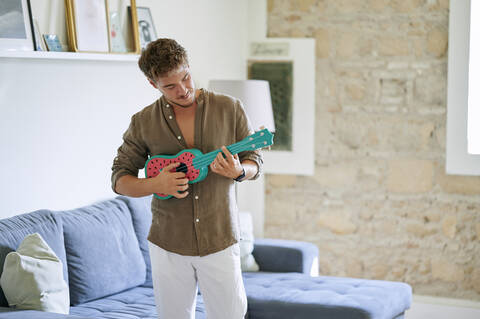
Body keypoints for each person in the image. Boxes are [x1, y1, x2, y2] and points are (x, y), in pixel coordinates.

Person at [111, 38, 263, 319]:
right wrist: (156, 184)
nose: (183, 90)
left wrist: (239, 172)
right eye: (170, 86)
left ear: (189, 67)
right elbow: (120, 179)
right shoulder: (143, 122)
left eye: (186, 78)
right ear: (152, 84)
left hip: (220, 238)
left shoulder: (230, 108)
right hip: (168, 243)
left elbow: (254, 160)